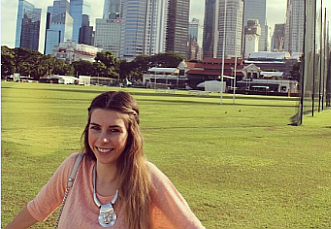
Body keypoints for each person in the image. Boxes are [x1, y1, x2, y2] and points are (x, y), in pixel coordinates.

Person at [3, 91, 204, 229]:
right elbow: (37, 209)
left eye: (114, 130)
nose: (102, 139)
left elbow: (190, 225)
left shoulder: (147, 176)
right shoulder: (74, 167)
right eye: (96, 127)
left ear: (130, 135)